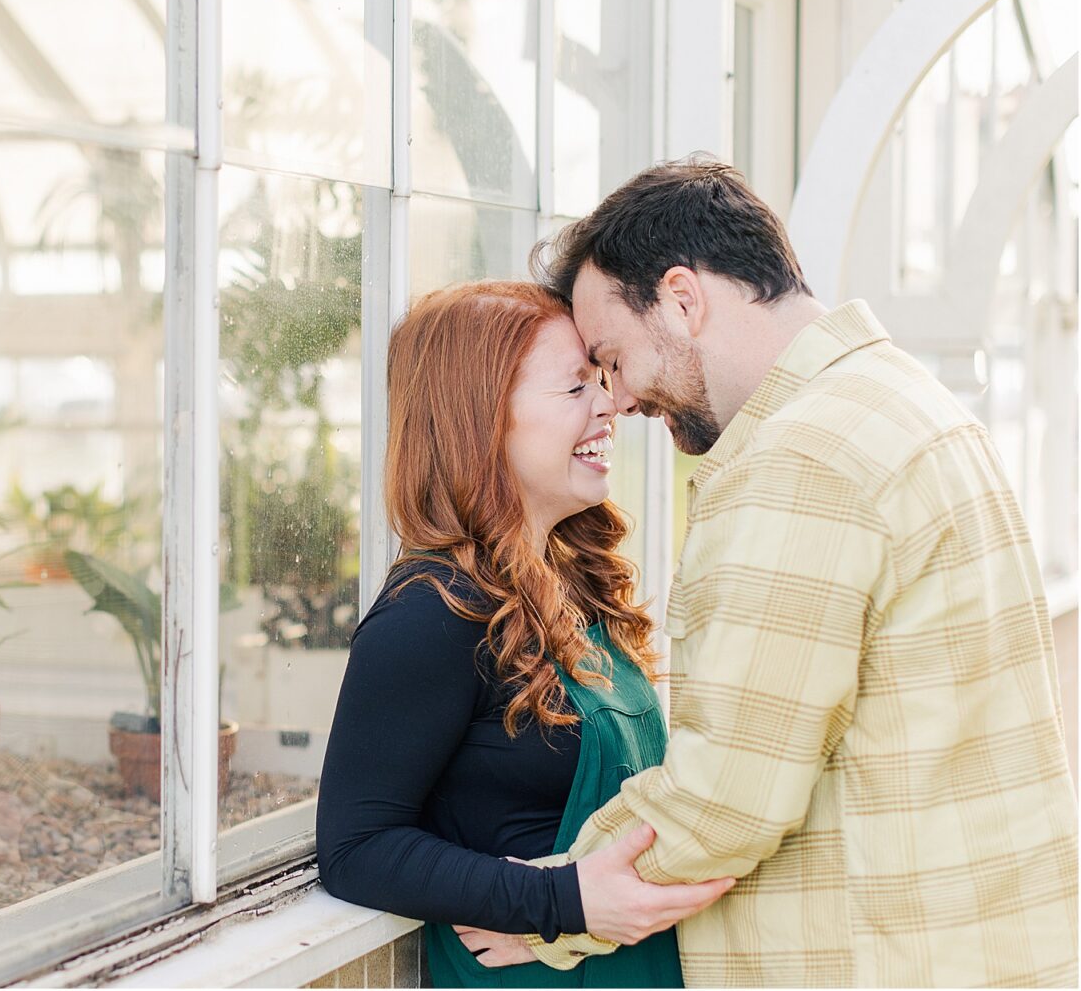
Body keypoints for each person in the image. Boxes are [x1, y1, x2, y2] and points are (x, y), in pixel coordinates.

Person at [460, 157, 1079, 987]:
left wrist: (549, 902)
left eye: (612, 356)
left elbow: (729, 796)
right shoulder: (909, 403)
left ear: (682, 298)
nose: (621, 399)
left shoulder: (798, 459)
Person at [315, 281, 733, 988]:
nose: (610, 403)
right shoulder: (430, 613)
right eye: (576, 387)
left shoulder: (574, 585)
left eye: (601, 379)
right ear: (483, 421)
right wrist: (560, 903)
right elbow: (357, 847)